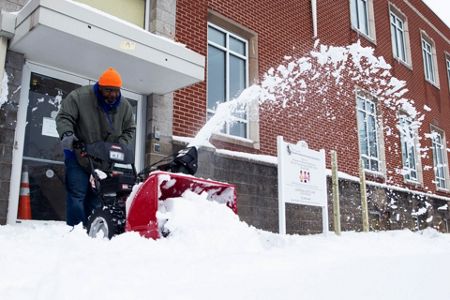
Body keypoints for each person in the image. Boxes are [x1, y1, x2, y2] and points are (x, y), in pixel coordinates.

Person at [56, 67, 136, 227]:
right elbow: (64, 117)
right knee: (77, 195)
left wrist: (120, 145)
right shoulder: (80, 97)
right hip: (80, 155)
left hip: (104, 161)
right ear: (100, 87)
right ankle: (76, 230)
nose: (112, 94)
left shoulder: (125, 107)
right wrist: (68, 135)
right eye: (108, 90)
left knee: (96, 197)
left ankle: (91, 230)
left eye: (115, 91)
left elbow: (130, 129)